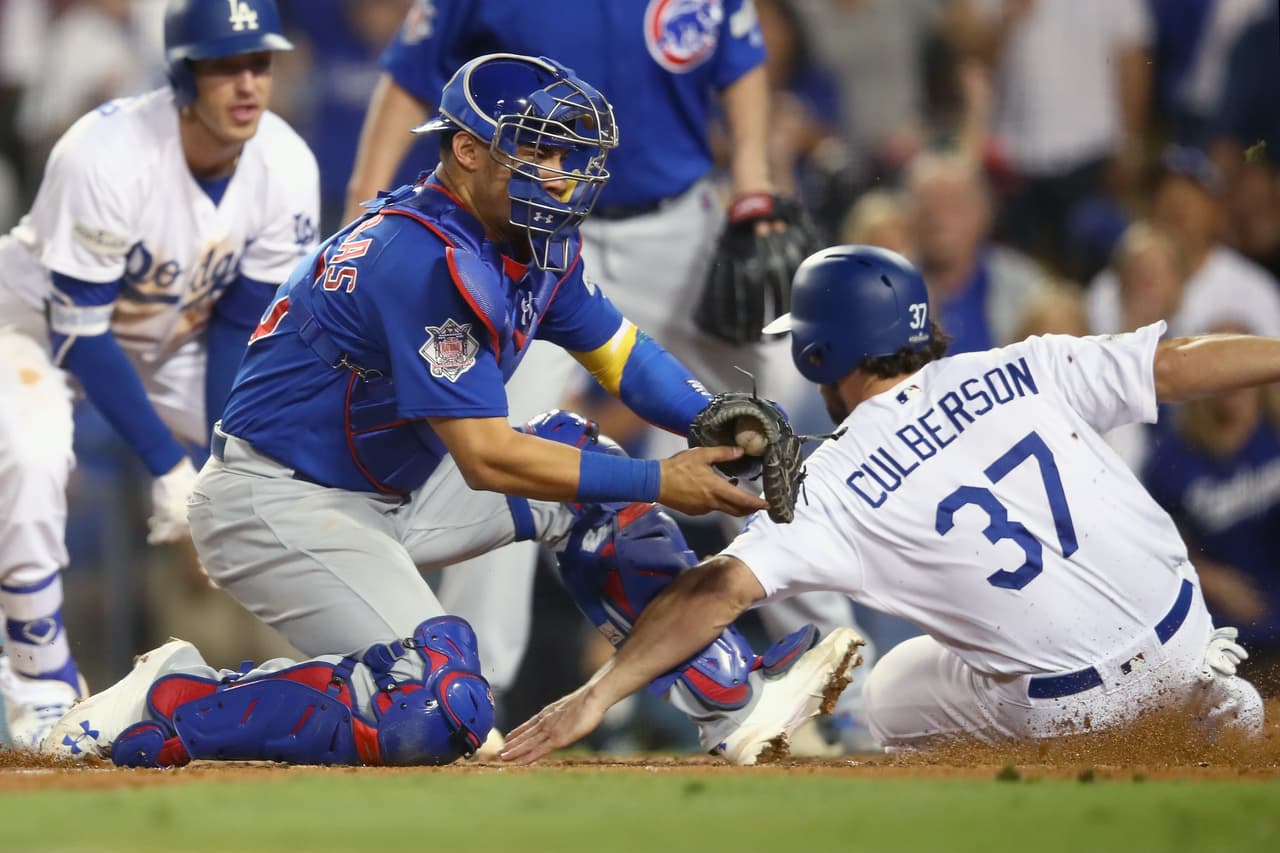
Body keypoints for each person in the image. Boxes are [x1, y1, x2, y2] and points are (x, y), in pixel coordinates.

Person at [41, 53, 863, 769]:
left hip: (392, 485)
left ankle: (733, 701)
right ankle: (175, 698)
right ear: (467, 150)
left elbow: (620, 352)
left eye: (568, 154)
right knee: (440, 703)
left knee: (585, 476)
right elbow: (487, 455)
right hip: (279, 501)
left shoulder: (527, 237)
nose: (563, 172)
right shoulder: (422, 257)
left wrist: (711, 418)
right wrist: (658, 475)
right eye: (539, 152)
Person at [501, 245, 1271, 762]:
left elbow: (716, 589)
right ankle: (1206, 702)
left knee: (891, 695)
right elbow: (1171, 368)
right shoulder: (1024, 364)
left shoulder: (831, 481)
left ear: (819, 353)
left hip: (1069, 714)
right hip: (1191, 636)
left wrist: (596, 694)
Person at [342, 0, 866, 754]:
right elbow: (409, 76)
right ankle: (469, 700)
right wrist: (366, 200)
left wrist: (752, 183)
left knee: (762, 428)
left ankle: (842, 675)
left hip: (676, 227)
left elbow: (743, 62)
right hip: (525, 237)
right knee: (503, 458)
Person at [0, 0, 317, 748]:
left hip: (173, 342)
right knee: (33, 455)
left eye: (258, 63)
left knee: (292, 459)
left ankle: (360, 671)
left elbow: (241, 327)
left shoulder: (285, 164)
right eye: (223, 65)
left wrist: (212, 464)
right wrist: (168, 467)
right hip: (34, 326)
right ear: (181, 74)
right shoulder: (104, 151)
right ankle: (41, 686)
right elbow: (81, 335)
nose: (246, 84)